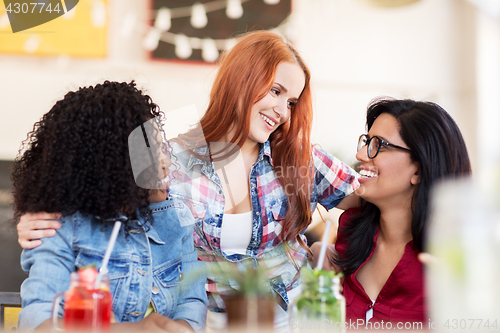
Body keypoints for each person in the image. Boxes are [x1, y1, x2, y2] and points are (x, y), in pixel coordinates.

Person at [16, 31, 360, 332]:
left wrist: (335, 252)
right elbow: (97, 176)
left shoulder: (298, 157)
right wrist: (38, 217)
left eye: (291, 102)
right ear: (242, 79)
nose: (283, 111)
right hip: (213, 321)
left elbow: (379, 202)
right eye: (275, 90)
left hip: (293, 315)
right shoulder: (171, 157)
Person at [12, 81, 208, 332]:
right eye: (154, 150)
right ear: (116, 160)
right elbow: (36, 324)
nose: (167, 162)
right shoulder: (58, 230)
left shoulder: (175, 221)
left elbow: (192, 304)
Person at [314, 98, 471, 325]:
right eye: (367, 141)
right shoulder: (351, 234)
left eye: (380, 145)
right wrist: (317, 251)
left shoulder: (450, 261)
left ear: (418, 170)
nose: (361, 156)